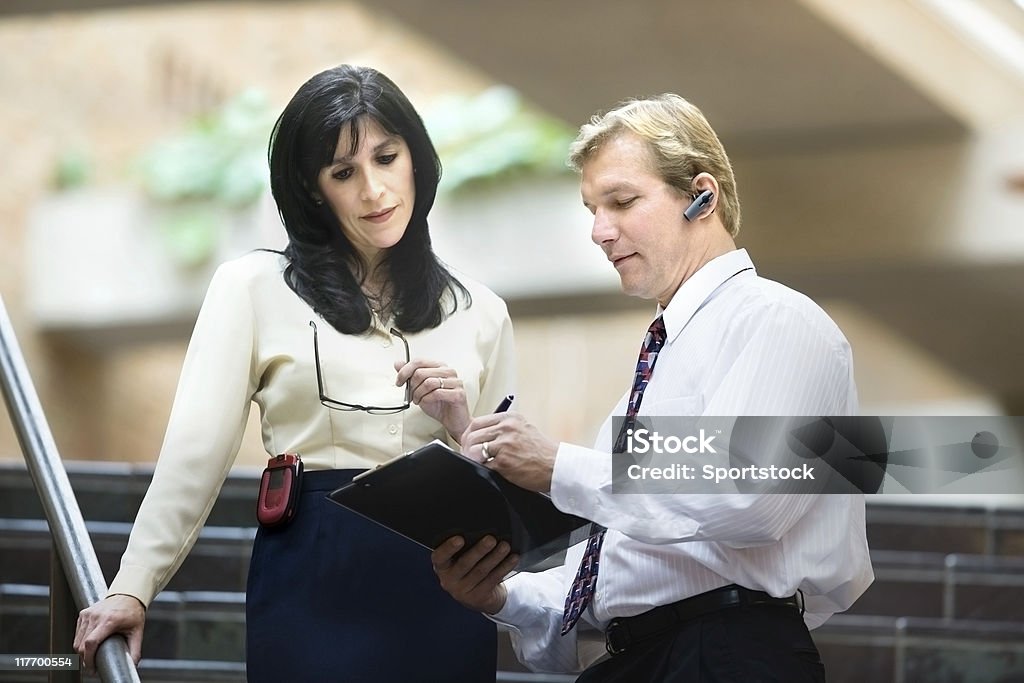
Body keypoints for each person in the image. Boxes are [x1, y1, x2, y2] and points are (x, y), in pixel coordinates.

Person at [74, 64, 515, 682]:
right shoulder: (250, 288)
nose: (374, 191)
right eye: (343, 172)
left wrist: (467, 436)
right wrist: (132, 588)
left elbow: (507, 484)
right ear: (313, 190)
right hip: (313, 567)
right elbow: (194, 455)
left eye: (388, 158)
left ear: (417, 158)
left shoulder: (482, 311)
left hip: (446, 581)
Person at [432, 94, 873, 682]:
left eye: (622, 201)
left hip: (724, 655)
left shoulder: (777, 320)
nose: (598, 230)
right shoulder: (657, 367)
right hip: (640, 656)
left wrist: (558, 466)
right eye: (591, 208)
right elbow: (619, 580)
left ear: (702, 196)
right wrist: (498, 597)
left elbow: (746, 498)